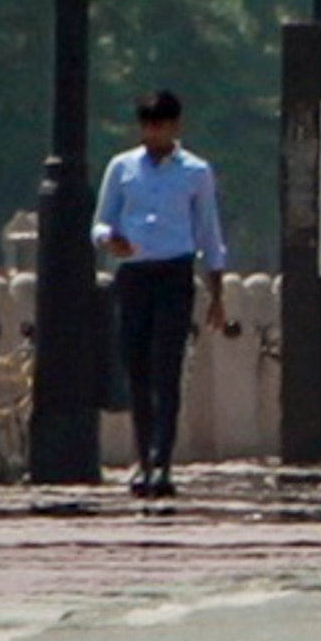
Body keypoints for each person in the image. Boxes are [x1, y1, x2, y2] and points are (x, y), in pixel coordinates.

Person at [91, 90, 229, 498]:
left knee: (165, 368)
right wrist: (108, 240)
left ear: (175, 127)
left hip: (174, 274)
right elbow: (100, 222)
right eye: (148, 126)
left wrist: (216, 291)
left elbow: (209, 233)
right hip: (133, 274)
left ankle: (162, 461)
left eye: (161, 126)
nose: (154, 133)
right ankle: (143, 458)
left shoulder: (195, 172)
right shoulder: (122, 168)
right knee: (136, 368)